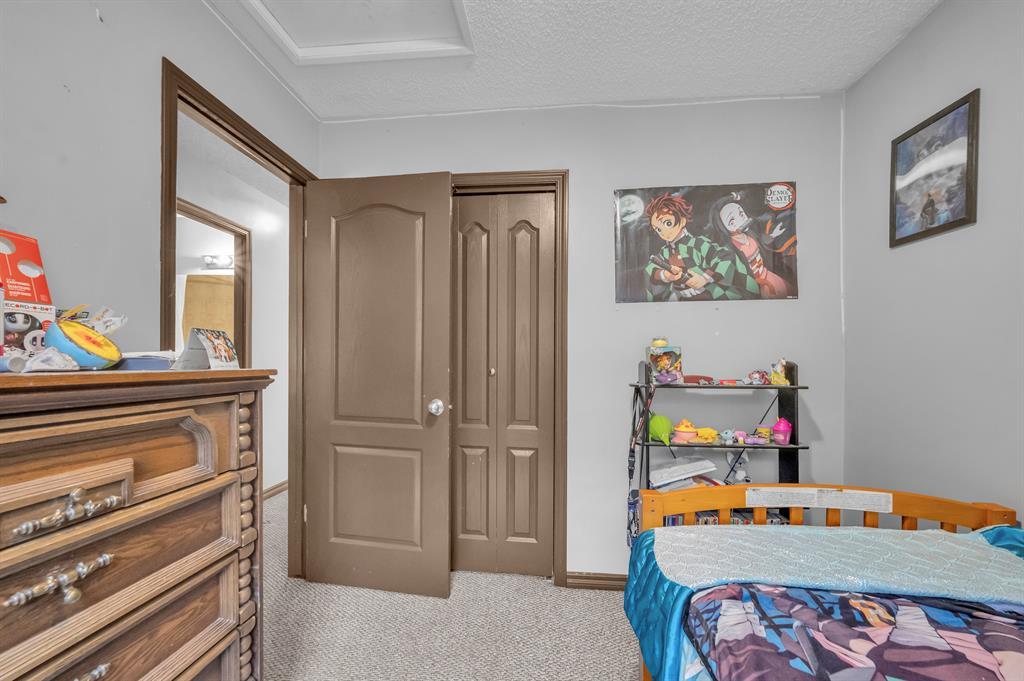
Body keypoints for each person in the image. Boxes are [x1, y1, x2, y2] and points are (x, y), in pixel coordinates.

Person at [642, 193, 759, 302]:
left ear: (682, 220)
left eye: (668, 223)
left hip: (712, 298)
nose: (663, 232)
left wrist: (705, 278)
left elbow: (725, 257)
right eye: (658, 229)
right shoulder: (665, 252)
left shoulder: (697, 244)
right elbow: (650, 268)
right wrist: (666, 275)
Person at [708, 193, 790, 299]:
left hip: (768, 275)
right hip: (754, 287)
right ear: (724, 228)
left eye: (741, 213)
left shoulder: (750, 234)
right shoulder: (730, 249)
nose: (741, 220)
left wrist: (773, 235)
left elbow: (761, 242)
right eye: (732, 221)